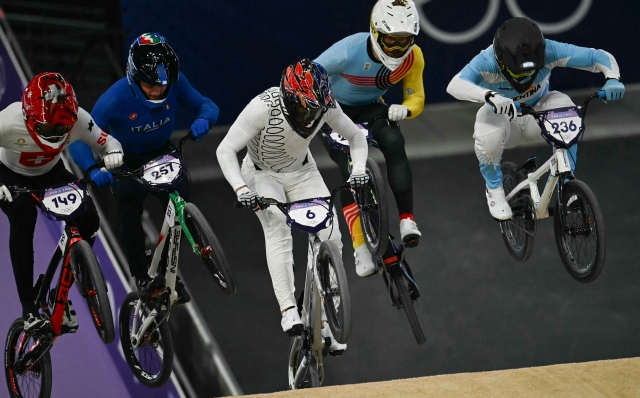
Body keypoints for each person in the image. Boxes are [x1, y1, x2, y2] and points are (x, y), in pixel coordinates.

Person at [216, 59, 370, 353]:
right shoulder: (262, 106)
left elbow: (355, 136)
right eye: (304, 109)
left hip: (303, 172)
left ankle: (327, 319)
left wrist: (359, 169)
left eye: (317, 110)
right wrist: (241, 188)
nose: (311, 116)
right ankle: (288, 308)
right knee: (277, 228)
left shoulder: (324, 104)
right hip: (261, 174)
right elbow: (225, 149)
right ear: (288, 98)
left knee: (332, 237)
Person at [69, 32, 219, 303]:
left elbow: (207, 105)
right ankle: (140, 275)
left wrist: (205, 120)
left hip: (162, 151)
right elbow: (78, 140)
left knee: (181, 200)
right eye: (151, 85)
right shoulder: (113, 99)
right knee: (128, 213)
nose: (159, 90)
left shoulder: (175, 83)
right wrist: (92, 170)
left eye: (163, 85)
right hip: (125, 160)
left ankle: (167, 273)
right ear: (133, 76)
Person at [446, 17, 624, 220]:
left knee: (565, 105)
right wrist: (489, 96)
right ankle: (494, 190)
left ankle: (567, 183)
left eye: (531, 71)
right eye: (517, 72)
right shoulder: (487, 60)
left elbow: (596, 56)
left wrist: (612, 78)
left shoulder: (550, 50)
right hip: (505, 122)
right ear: (501, 61)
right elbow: (454, 84)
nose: (525, 78)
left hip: (538, 117)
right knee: (486, 127)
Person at [0, 72, 123, 335]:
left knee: (88, 218)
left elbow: (107, 142)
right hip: (8, 173)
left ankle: (63, 288)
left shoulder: (78, 118)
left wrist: (113, 153)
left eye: (61, 130)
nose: (55, 135)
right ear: (28, 117)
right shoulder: (8, 121)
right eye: (48, 129)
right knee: (23, 216)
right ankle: (29, 308)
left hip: (50, 171)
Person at [314, 0, 425, 272]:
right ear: (375, 33)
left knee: (395, 142)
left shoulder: (413, 57)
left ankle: (407, 219)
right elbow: (310, 73)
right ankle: (360, 247)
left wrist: (405, 109)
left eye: (405, 41)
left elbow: (417, 97)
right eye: (391, 41)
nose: (398, 49)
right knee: (348, 169)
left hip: (372, 108)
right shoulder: (349, 50)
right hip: (335, 112)